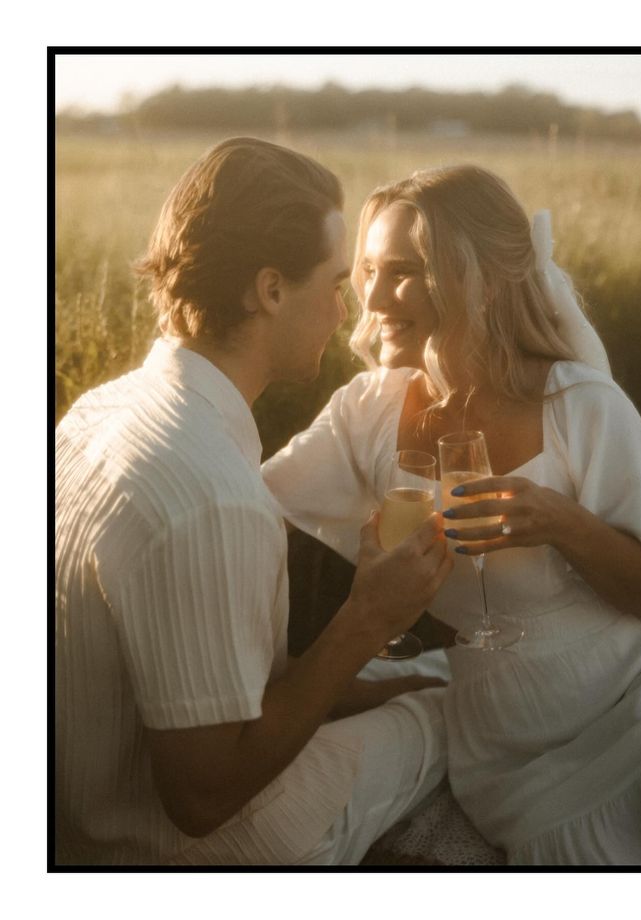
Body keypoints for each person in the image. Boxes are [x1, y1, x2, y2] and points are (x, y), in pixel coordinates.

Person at [262, 164, 641, 866]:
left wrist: (561, 522)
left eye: (404, 271)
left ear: (472, 277)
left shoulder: (580, 405)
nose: (373, 295)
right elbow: (247, 506)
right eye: (367, 268)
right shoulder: (368, 411)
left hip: (637, 705)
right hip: (507, 751)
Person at [55, 137, 455, 867]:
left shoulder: (97, 413)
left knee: (422, 678)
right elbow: (203, 800)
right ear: (270, 290)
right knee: (445, 713)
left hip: (83, 806)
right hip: (166, 846)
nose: (345, 313)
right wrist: (368, 617)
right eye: (337, 284)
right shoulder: (213, 496)